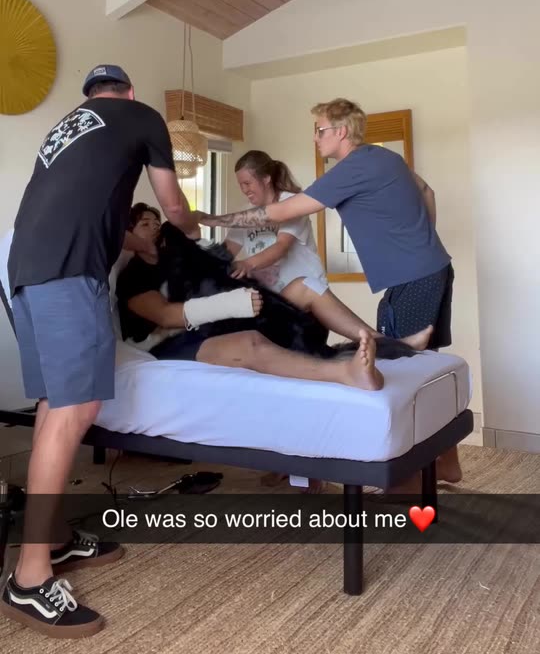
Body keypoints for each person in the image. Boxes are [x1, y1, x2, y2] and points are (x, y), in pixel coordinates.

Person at [2, 64, 200, 639]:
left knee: (54, 404)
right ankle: (29, 578)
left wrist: (137, 241)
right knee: (75, 408)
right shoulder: (141, 117)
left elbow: (97, 219)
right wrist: (195, 228)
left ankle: (55, 538)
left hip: (22, 272)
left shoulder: (68, 129)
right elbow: (175, 207)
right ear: (130, 93)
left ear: (90, 96)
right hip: (69, 274)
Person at [196, 98, 461, 487]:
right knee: (424, 368)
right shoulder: (384, 157)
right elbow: (428, 191)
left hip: (414, 275)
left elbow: (280, 214)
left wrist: (213, 219)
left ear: (342, 131)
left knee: (401, 369)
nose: (316, 138)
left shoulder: (352, 167)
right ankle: (447, 464)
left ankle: (406, 482)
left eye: (320, 130)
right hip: (433, 267)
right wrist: (421, 243)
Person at [115, 207, 385, 392]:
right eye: (144, 224)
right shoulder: (133, 275)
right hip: (169, 345)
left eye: (156, 222)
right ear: (128, 235)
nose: (154, 227)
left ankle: (382, 342)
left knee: (304, 287)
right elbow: (164, 316)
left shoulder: (178, 262)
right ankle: (343, 373)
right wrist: (233, 304)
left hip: (205, 329)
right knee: (248, 341)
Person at [225, 150, 431, 352]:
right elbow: (224, 254)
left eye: (247, 183)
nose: (244, 189)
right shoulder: (246, 215)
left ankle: (389, 345)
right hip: (270, 306)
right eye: (240, 185)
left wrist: (247, 263)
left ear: (266, 179)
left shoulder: (290, 203)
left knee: (306, 285)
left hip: (302, 303)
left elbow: (280, 247)